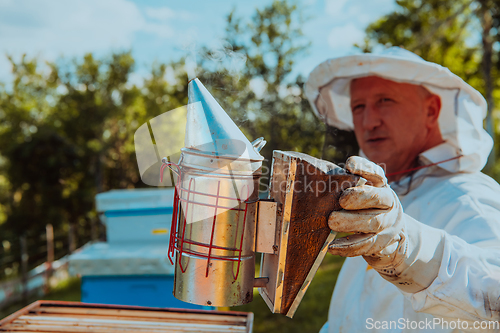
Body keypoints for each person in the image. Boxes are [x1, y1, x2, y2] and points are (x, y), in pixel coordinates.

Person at [305, 47, 500, 332]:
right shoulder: (384, 200)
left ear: (431, 110)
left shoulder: (468, 198)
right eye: (358, 107)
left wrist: (408, 249)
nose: (368, 122)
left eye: (385, 100)